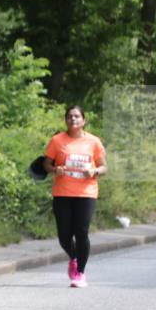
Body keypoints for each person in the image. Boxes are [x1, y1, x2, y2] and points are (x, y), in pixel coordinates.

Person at [43, 105, 106, 288]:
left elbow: (104, 167)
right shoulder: (57, 140)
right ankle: (73, 257)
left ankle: (80, 273)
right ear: (66, 120)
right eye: (70, 116)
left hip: (86, 193)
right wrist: (56, 169)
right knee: (64, 236)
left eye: (77, 116)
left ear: (83, 120)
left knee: (81, 231)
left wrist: (94, 170)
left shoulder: (93, 142)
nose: (73, 119)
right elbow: (46, 163)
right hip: (62, 193)